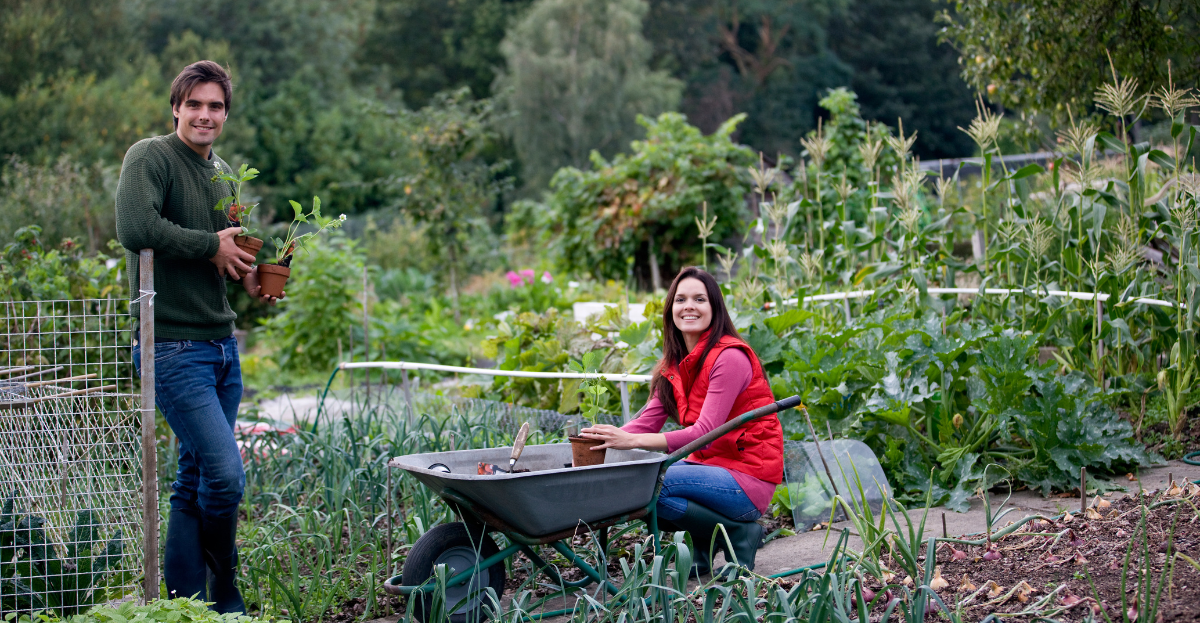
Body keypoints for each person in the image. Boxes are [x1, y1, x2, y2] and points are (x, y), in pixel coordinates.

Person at [115, 60, 280, 613]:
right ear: (176, 108)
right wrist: (211, 245)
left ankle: (186, 604)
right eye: (195, 104)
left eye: (215, 106)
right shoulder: (151, 157)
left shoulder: (224, 171)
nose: (205, 115)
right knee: (225, 475)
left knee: (193, 480)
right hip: (171, 346)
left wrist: (250, 274)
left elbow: (225, 249)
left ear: (226, 114)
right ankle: (225, 591)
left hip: (220, 346)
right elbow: (135, 229)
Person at [580, 266, 783, 575]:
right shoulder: (675, 364)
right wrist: (603, 440)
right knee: (637, 483)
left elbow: (706, 433)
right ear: (671, 309)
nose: (689, 306)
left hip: (748, 478)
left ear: (715, 308)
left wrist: (630, 442)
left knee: (650, 483)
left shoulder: (729, 357)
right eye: (681, 299)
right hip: (710, 471)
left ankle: (741, 534)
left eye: (699, 299)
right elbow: (646, 423)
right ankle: (706, 544)